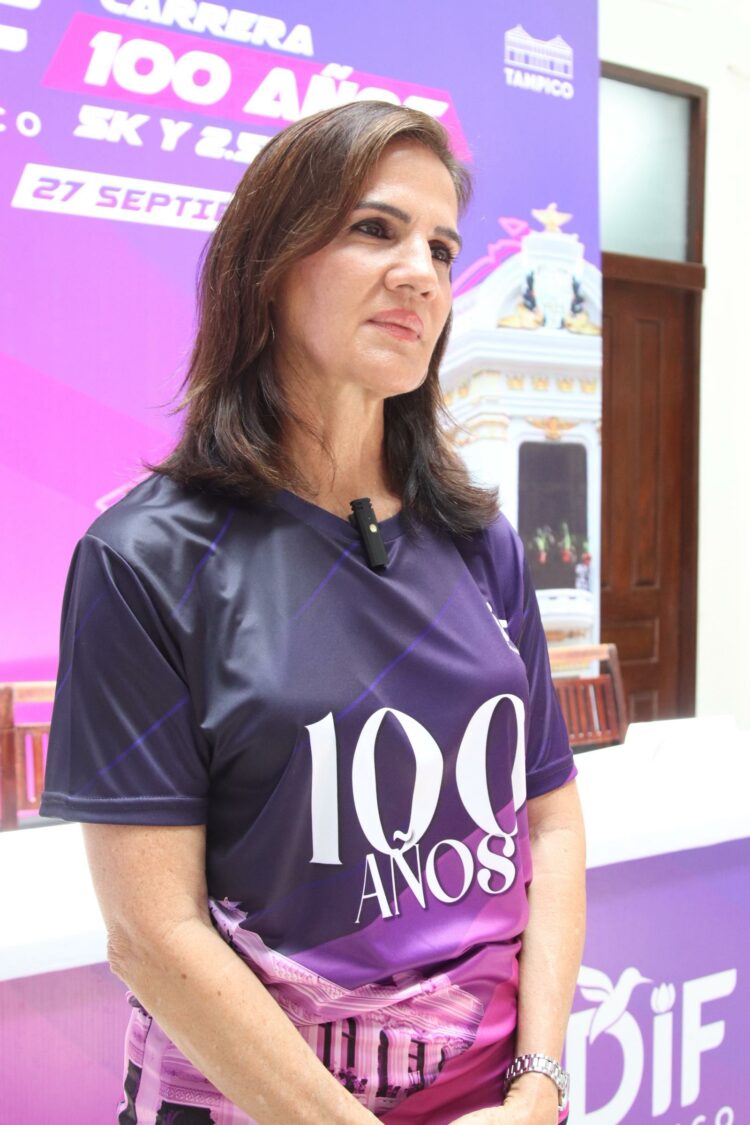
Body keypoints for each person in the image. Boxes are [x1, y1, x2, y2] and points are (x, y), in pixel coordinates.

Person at [41, 101, 586, 1125]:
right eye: (375, 229)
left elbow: (547, 819)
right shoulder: (147, 558)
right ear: (268, 261)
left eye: (441, 248)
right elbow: (152, 934)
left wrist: (538, 1085)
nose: (421, 273)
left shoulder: (481, 542)